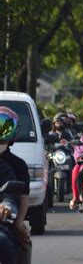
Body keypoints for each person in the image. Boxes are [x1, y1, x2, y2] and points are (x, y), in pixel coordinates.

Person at [0, 107, 31, 263]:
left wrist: (19, 222)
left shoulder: (17, 165)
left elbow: (20, 195)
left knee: (5, 241)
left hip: (4, 219)